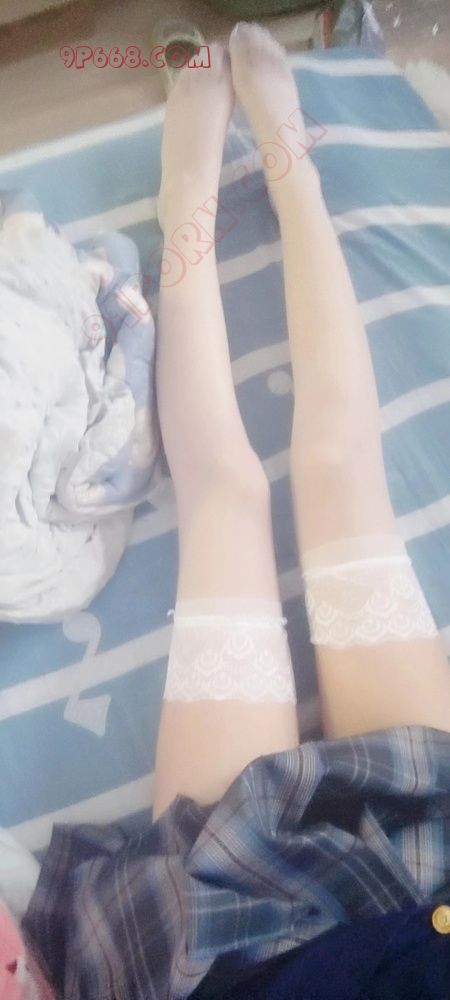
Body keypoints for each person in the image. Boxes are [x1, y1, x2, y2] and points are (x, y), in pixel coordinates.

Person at [21, 24, 450, 1000]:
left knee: (227, 494)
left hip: (235, 954)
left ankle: (190, 200)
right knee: (339, 464)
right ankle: (290, 167)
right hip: (434, 873)